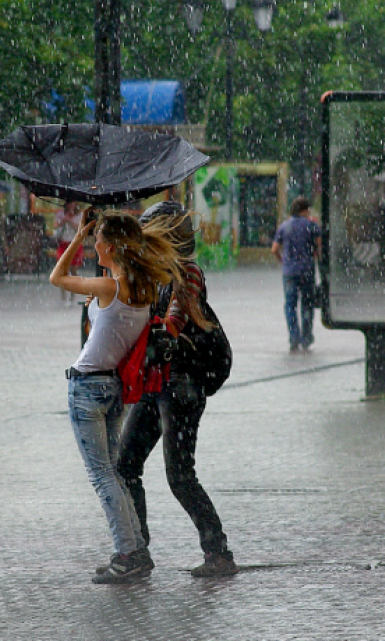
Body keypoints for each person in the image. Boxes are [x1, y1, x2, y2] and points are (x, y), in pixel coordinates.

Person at [50, 208, 182, 584]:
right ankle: (137, 548)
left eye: (97, 240)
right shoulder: (141, 288)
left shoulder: (109, 288)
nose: (94, 244)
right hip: (113, 388)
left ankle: (127, 553)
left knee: (102, 475)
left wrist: (75, 237)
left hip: (87, 386)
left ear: (110, 245)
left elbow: (56, 277)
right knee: (115, 473)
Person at [115, 200, 238, 578]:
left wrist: (165, 333)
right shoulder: (153, 273)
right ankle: (137, 549)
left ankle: (218, 552)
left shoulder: (187, 273)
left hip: (181, 386)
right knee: (126, 465)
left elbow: (179, 313)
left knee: (180, 475)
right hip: (156, 385)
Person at [271, 196, 321, 352]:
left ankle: (294, 338)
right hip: (307, 270)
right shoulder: (312, 226)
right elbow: (319, 248)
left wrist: (283, 260)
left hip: (289, 271)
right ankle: (306, 338)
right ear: (305, 210)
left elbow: (274, 249)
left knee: (290, 305)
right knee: (307, 304)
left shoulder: (284, 227)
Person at [54, 201, 83, 305]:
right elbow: (55, 226)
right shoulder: (60, 214)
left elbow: (80, 229)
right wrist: (62, 221)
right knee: (62, 271)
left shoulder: (80, 215)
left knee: (73, 271)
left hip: (74, 244)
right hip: (63, 243)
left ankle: (72, 296)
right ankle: (63, 296)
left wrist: (70, 221)